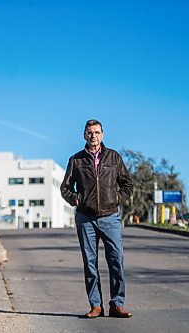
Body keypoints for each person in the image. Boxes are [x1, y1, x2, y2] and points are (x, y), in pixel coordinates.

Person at [60, 119, 134, 319]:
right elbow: (65, 187)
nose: (93, 135)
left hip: (110, 217)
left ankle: (117, 304)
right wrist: (75, 199)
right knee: (90, 263)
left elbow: (127, 184)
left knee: (116, 261)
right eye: (90, 132)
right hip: (86, 219)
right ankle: (96, 306)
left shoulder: (114, 157)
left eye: (97, 132)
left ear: (103, 134)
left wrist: (117, 199)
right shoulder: (76, 160)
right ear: (84, 135)